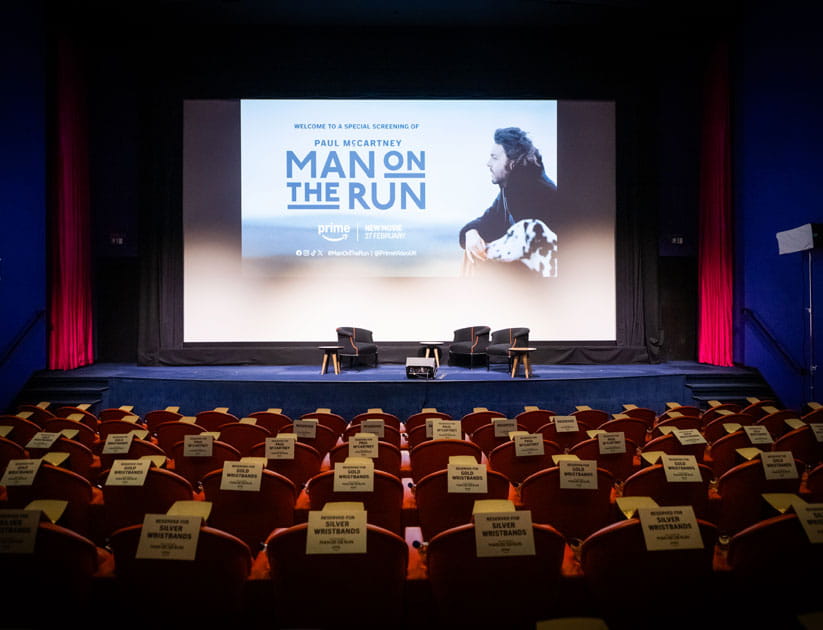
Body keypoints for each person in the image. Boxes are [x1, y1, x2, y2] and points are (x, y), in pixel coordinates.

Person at [459, 127, 558, 270]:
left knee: (475, 259)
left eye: (494, 158)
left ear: (512, 163)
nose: (488, 163)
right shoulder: (510, 190)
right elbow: (488, 222)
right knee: (473, 251)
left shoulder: (539, 194)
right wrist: (471, 233)